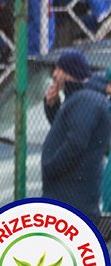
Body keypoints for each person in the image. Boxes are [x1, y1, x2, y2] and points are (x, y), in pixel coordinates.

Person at [41, 51, 110, 223]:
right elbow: (66, 129)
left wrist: (51, 167)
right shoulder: (80, 97)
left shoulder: (88, 99)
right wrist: (53, 106)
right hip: (71, 194)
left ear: (68, 71)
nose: (54, 74)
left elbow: (77, 142)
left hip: (76, 195)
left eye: (58, 69)